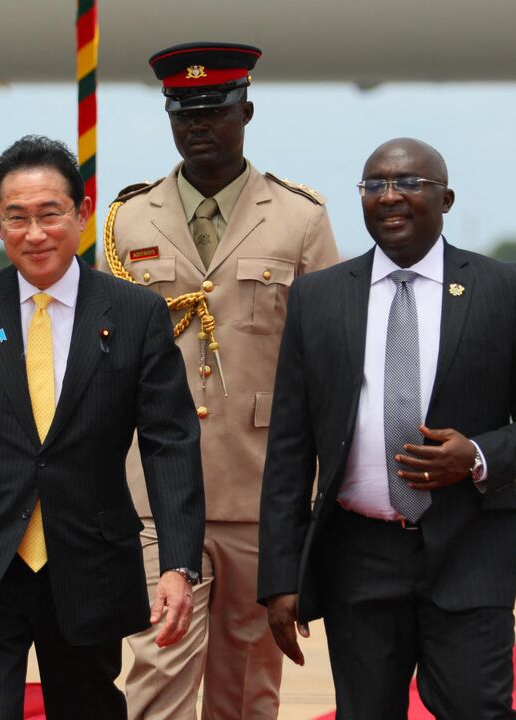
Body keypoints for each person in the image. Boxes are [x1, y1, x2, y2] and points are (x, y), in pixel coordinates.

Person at [258, 138, 516, 718]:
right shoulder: (318, 297)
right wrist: (281, 577)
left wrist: (477, 455)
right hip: (358, 555)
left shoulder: (504, 288)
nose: (389, 196)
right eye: (374, 184)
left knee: (478, 709)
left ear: (446, 199)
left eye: (409, 183)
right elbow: (288, 449)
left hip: (470, 548)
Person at [0, 135, 205, 720]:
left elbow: (170, 444)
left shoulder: (135, 312)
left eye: (50, 214)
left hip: (89, 564)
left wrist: (177, 564)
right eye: (16, 218)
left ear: (82, 213)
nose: (35, 234)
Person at [100, 41, 339, 720]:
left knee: (247, 680)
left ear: (247, 112)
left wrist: (318, 493)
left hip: (260, 489)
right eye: (184, 112)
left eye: (214, 110)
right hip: (152, 492)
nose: (198, 124)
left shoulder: (299, 217)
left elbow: (329, 360)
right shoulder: (128, 219)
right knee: (157, 665)